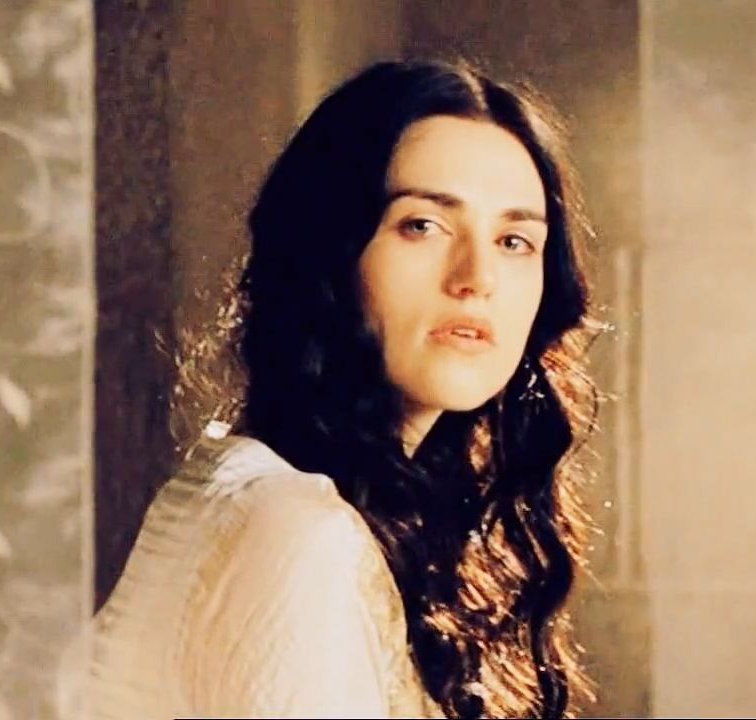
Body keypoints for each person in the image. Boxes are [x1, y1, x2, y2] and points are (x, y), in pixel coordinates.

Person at [91, 58, 603, 720]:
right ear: (329, 251)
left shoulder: (312, 507)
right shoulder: (299, 535)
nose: (477, 277)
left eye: (514, 240)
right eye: (422, 225)